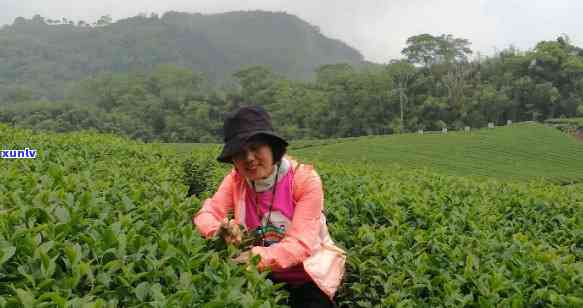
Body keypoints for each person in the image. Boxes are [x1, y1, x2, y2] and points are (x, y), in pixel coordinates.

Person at [192, 106, 346, 307]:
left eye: (255, 148)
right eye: (240, 152)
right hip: (260, 273)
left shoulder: (304, 180)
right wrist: (219, 229)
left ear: (272, 148)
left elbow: (300, 245)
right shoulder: (235, 181)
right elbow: (207, 213)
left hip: (307, 276)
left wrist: (254, 257)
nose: (249, 158)